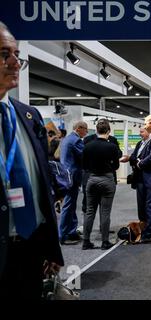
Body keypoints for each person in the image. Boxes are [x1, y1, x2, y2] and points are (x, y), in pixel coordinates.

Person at [0, 21, 63, 299]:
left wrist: (50, 246)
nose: (15, 63)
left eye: (16, 55)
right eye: (4, 54)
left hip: (30, 248)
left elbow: (42, 184)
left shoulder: (28, 116)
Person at [82, 119, 121, 250]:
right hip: (107, 179)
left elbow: (84, 164)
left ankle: (86, 242)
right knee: (105, 212)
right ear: (108, 131)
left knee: (89, 211)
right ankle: (105, 242)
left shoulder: (87, 146)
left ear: (96, 131)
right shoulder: (112, 147)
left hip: (91, 179)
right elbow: (116, 165)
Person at [59, 120, 88, 245]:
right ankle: (63, 235)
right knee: (68, 205)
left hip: (66, 176)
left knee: (71, 205)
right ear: (79, 128)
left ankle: (71, 231)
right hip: (72, 177)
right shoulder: (76, 140)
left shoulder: (67, 139)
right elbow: (85, 155)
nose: (86, 132)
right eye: (85, 130)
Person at [82, 130, 121, 215]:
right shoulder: (88, 139)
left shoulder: (113, 140)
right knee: (91, 207)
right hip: (95, 176)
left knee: (94, 208)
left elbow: (119, 154)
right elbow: (116, 164)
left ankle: (88, 228)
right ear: (108, 131)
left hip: (95, 177)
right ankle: (87, 227)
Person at [120, 127, 150, 222]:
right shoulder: (140, 143)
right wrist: (130, 158)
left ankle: (149, 226)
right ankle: (142, 223)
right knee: (140, 202)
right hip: (139, 177)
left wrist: (133, 159)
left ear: (148, 132)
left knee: (148, 203)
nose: (140, 134)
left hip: (148, 177)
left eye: (142, 132)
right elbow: (134, 156)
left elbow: (147, 160)